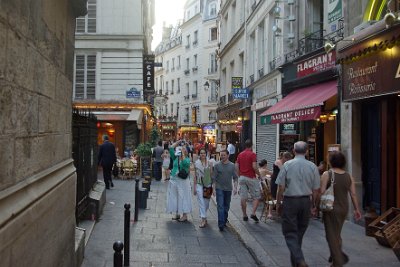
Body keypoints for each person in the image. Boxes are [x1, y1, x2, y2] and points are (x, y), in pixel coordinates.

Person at [275, 141, 320, 267]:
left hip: (291, 201)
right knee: (299, 232)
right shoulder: (312, 166)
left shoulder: (287, 165)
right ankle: (296, 263)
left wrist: (278, 203)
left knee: (290, 232)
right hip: (306, 201)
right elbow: (316, 189)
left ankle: (299, 260)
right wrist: (313, 205)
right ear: (306, 152)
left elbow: (281, 187)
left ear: (294, 151)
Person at [320, 151, 362, 267]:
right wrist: (357, 210)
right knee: (337, 234)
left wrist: (315, 205)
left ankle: (338, 261)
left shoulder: (326, 174)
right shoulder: (349, 176)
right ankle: (336, 257)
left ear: (331, 161)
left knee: (331, 236)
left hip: (330, 208)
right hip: (344, 208)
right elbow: (353, 194)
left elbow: (322, 192)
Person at [235, 139, 261, 223]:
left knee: (243, 197)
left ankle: (244, 215)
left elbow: (236, 166)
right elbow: (254, 166)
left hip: (242, 177)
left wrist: (239, 175)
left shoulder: (240, 154)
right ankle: (253, 213)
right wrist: (259, 174)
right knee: (256, 196)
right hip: (251, 177)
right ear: (251, 146)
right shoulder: (252, 154)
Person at [166, 140, 192, 222]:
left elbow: (185, 163)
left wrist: (183, 154)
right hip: (174, 179)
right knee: (174, 196)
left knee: (183, 196)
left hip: (183, 180)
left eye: (184, 149)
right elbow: (170, 148)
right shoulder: (175, 157)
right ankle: (177, 213)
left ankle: (184, 215)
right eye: (180, 149)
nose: (181, 150)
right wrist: (178, 142)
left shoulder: (187, 159)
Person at [212, 150, 238, 231]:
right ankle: (221, 224)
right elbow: (214, 178)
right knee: (220, 206)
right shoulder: (217, 165)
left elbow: (235, 177)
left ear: (228, 155)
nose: (222, 157)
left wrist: (235, 187)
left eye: (223, 155)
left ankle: (224, 219)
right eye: (221, 155)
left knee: (226, 206)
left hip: (228, 189)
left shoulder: (232, 165)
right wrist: (213, 189)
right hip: (219, 188)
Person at [193, 148, 213, 228]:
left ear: (206, 154)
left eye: (204, 153)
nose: (202, 154)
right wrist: (194, 188)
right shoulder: (196, 163)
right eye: (201, 153)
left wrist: (213, 186)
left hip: (208, 184)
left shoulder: (210, 163)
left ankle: (204, 215)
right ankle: (203, 219)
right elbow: (195, 175)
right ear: (199, 154)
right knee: (201, 201)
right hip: (199, 184)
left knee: (206, 203)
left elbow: (212, 175)